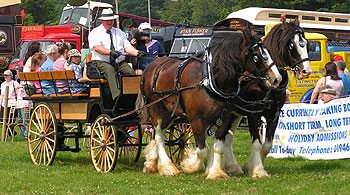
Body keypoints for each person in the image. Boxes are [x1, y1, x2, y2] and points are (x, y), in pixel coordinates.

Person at [88, 8, 145, 101]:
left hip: (119, 62)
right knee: (110, 70)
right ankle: (117, 97)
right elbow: (96, 48)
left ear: (113, 20)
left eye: (111, 20)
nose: (109, 22)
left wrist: (137, 53)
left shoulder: (119, 33)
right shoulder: (95, 33)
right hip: (101, 62)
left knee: (130, 73)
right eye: (107, 20)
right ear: (102, 21)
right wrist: (110, 52)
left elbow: (127, 47)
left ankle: (134, 97)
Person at [0, 70, 19, 136]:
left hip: (12, 103)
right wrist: (0, 104)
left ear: (10, 76)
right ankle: (11, 132)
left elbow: (17, 93)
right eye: (5, 75)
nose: (5, 77)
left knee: (10, 120)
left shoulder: (15, 83)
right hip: (4, 103)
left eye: (7, 75)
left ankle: (11, 133)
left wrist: (17, 103)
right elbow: (2, 95)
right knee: (2, 119)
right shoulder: (3, 84)